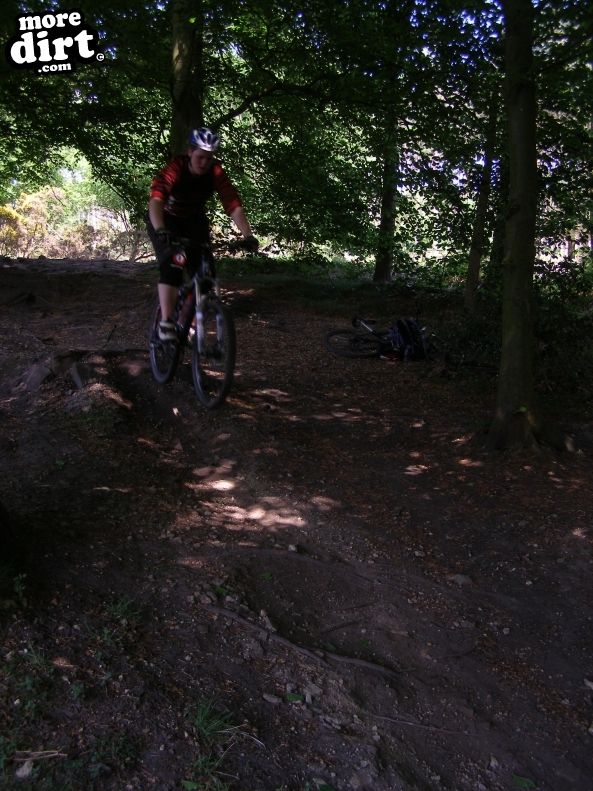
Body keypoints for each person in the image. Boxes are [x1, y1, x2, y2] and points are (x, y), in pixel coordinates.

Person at [147, 127, 258, 341]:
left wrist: (247, 235)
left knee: (206, 276)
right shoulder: (176, 168)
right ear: (190, 152)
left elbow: (232, 204)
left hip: (193, 220)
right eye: (200, 157)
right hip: (165, 218)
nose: (204, 163)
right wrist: (161, 230)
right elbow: (157, 200)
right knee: (174, 264)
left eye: (209, 158)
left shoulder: (215, 172)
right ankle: (166, 322)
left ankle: (190, 324)